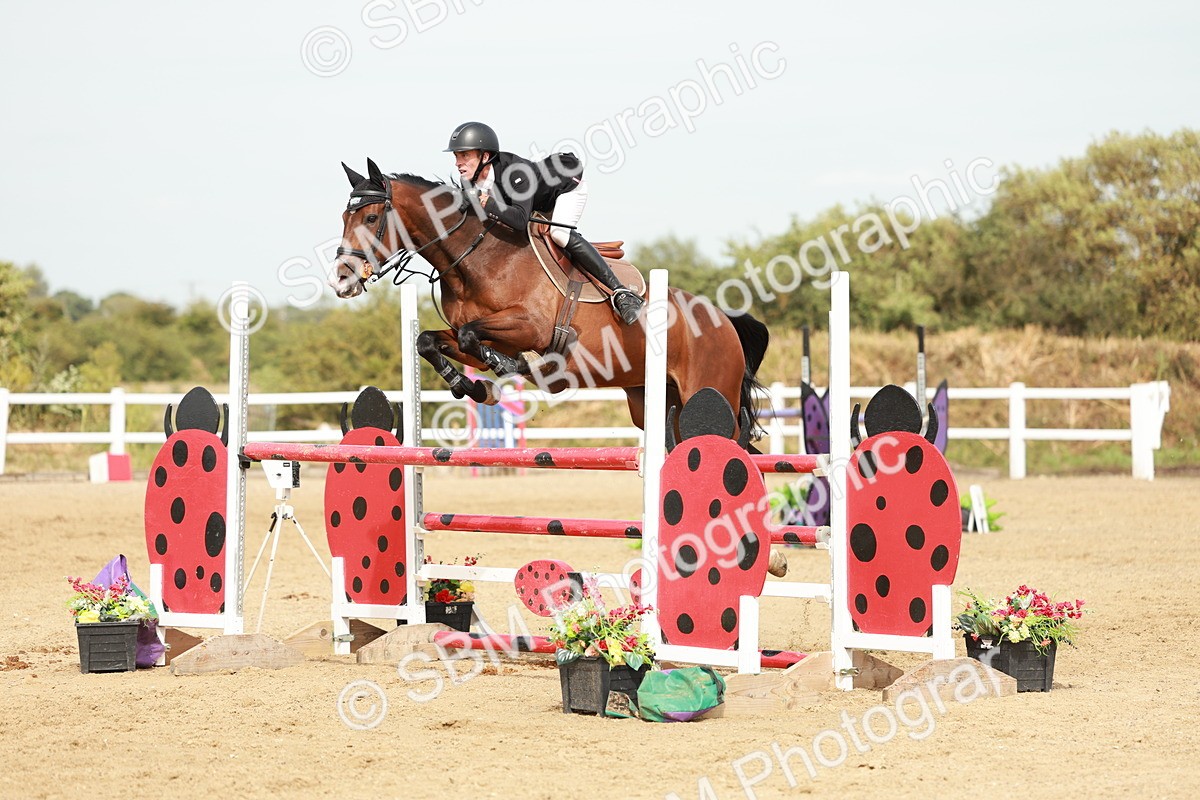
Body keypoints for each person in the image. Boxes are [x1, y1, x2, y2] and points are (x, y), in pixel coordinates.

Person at [445, 121, 644, 325]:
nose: (458, 163)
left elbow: (520, 220)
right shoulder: (468, 179)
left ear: (485, 156)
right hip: (534, 201)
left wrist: (486, 202)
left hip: (565, 188)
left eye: (464, 155)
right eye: (456, 156)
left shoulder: (516, 172)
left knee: (559, 234)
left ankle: (621, 292)